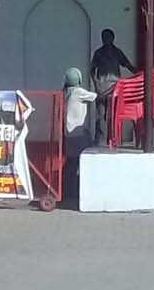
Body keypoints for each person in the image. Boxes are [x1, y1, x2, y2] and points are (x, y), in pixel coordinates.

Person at [89, 29, 137, 138]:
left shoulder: (117, 52)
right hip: (102, 86)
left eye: (108, 37)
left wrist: (140, 73)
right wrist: (96, 83)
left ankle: (113, 138)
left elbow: (127, 65)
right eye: (103, 37)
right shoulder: (98, 53)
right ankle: (100, 139)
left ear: (112, 38)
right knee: (100, 114)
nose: (105, 39)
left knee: (113, 114)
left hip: (115, 87)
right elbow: (92, 70)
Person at [61, 68, 98, 206]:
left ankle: (67, 190)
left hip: (69, 133)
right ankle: (71, 191)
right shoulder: (78, 92)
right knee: (76, 162)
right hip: (78, 134)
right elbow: (95, 96)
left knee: (71, 162)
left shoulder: (66, 92)